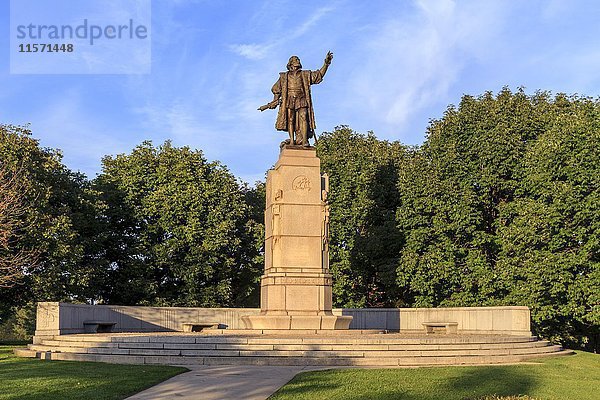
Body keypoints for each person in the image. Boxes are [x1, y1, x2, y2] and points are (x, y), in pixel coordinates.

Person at [259, 51, 333, 147]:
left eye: (298, 59)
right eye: (295, 60)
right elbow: (276, 89)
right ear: (290, 64)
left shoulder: (305, 74)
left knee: (303, 116)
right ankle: (292, 141)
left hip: (301, 98)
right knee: (290, 119)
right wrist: (274, 101)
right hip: (289, 99)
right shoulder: (284, 77)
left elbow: (318, 75)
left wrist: (326, 63)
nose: (297, 61)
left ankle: (305, 140)